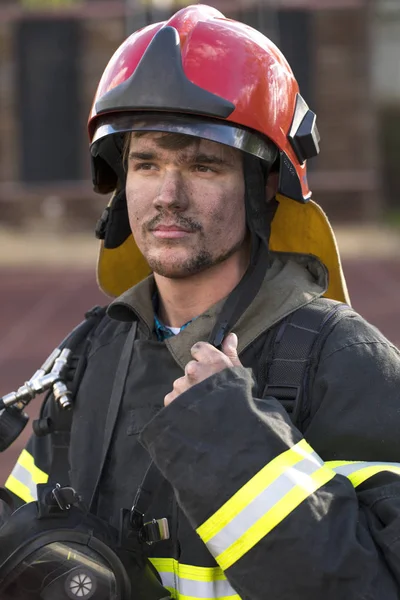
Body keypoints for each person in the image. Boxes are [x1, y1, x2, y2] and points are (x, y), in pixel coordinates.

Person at [4, 4, 400, 599]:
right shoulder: (90, 353)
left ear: (266, 184)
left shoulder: (346, 364)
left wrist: (231, 438)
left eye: (204, 165)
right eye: (146, 163)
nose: (167, 195)